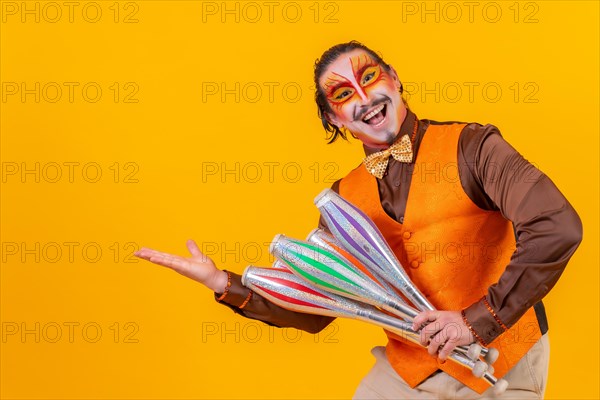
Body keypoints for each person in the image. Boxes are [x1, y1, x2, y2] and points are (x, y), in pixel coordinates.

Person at [135, 41, 582, 399]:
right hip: (407, 373)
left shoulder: (474, 147)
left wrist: (476, 319)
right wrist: (222, 283)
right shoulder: (342, 200)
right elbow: (318, 307)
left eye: (370, 79)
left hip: (499, 360)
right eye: (344, 95)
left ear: (396, 80)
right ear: (334, 118)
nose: (365, 99)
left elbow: (555, 226)